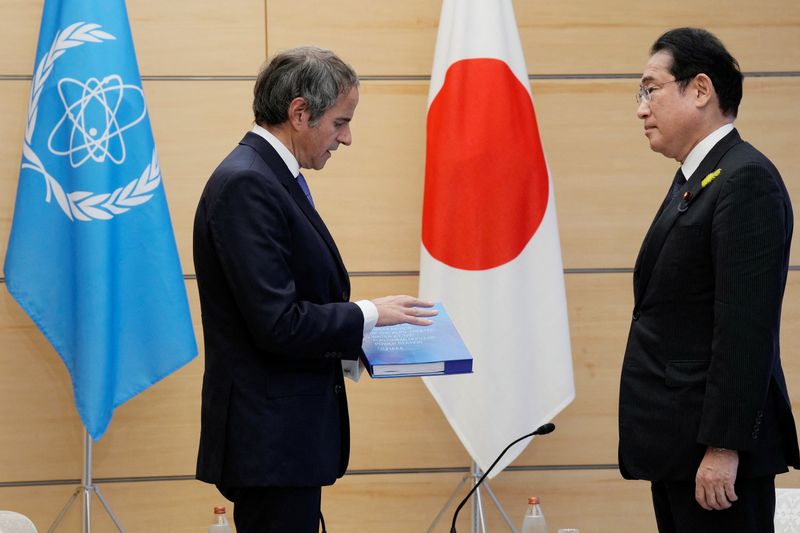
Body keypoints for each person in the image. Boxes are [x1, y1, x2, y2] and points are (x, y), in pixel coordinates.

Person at [193, 46, 436, 533]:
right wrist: (369, 314)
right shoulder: (248, 184)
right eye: (340, 123)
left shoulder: (272, 177)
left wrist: (360, 336)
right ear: (299, 113)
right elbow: (278, 322)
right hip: (270, 442)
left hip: (287, 440)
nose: (347, 139)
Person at [618, 27, 800, 532]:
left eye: (650, 89)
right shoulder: (697, 179)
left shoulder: (746, 179)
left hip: (715, 463)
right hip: (679, 451)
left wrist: (724, 447)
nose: (641, 108)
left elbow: (745, 327)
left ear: (700, 90)